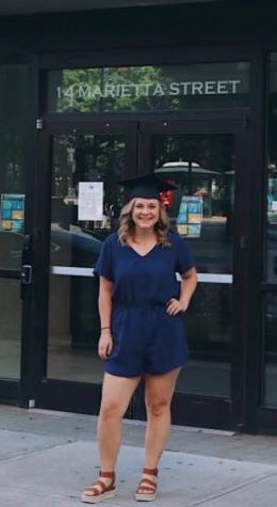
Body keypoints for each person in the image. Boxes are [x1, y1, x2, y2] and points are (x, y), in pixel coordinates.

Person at [82, 174, 198, 504]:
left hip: (164, 329)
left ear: (159, 211)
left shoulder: (173, 244)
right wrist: (105, 331)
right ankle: (107, 477)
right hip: (125, 328)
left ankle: (150, 474)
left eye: (151, 206)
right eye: (139, 206)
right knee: (110, 408)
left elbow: (190, 277)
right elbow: (105, 290)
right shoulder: (113, 246)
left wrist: (184, 300)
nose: (145, 212)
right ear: (129, 210)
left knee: (158, 406)